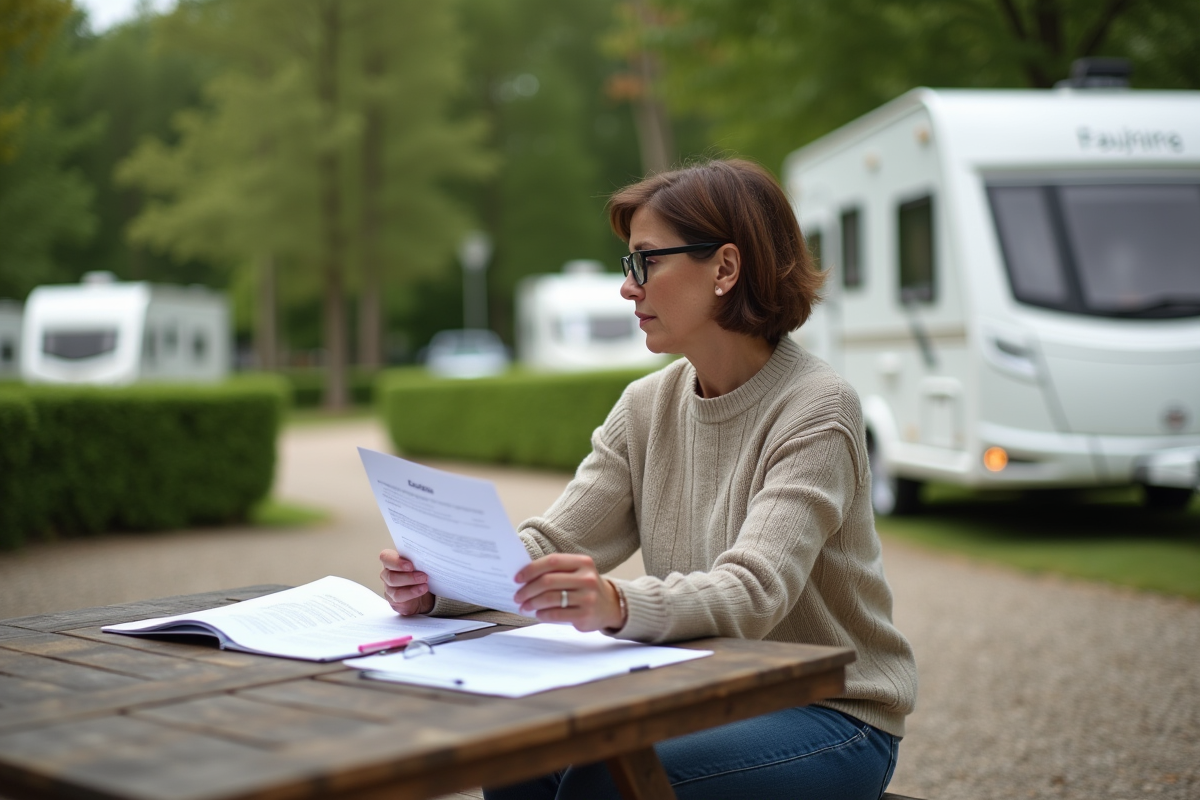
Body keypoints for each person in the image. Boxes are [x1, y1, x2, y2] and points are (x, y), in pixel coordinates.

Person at [380, 158, 918, 799]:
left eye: (646, 262)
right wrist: (439, 581)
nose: (628, 288)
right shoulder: (645, 405)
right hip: (706, 691)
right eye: (627, 265)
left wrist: (616, 604)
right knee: (519, 754)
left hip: (834, 714)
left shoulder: (817, 407)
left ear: (724, 268)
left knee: (603, 780)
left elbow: (754, 593)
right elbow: (553, 544)